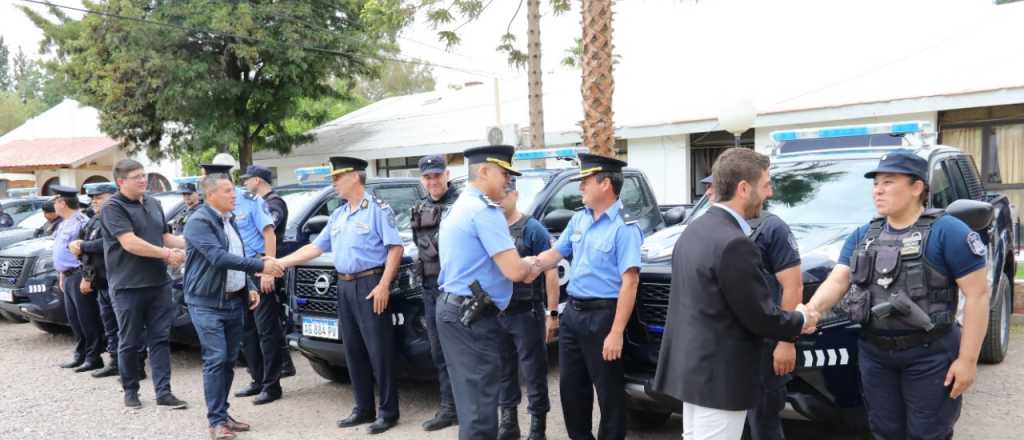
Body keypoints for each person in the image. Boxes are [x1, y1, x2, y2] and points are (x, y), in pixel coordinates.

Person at [805, 149, 990, 439]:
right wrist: (811, 310)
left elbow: (978, 296)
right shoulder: (863, 235)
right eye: (875, 183)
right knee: (884, 431)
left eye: (888, 182)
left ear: (917, 187)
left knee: (927, 433)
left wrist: (967, 360)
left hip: (931, 353)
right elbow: (838, 279)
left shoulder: (948, 232)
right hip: (875, 353)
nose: (878, 190)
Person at [651, 148, 816, 440]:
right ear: (743, 188)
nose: (769, 192)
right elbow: (759, 315)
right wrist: (800, 319)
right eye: (765, 185)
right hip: (720, 379)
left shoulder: (693, 230)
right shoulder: (734, 243)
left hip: (693, 373)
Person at [270, 156, 404, 435]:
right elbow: (316, 248)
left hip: (370, 284)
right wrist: (281, 262)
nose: (333, 184)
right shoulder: (339, 215)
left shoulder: (377, 209)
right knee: (353, 349)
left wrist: (384, 285)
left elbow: (395, 248)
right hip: (343, 286)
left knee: (379, 351)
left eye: (337, 178)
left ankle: (389, 412)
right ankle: (363, 408)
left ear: (354, 177)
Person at [525, 153, 644, 440]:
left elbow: (630, 283)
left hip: (604, 317)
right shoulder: (579, 219)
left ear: (605, 184)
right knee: (571, 391)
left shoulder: (625, 228)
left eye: (585, 182)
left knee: (609, 395)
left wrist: (616, 332)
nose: (580, 188)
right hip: (574, 316)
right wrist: (531, 264)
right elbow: (556, 253)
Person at [436, 145, 541, 440]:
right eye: (504, 173)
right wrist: (531, 262)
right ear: (483, 171)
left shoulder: (461, 205)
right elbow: (515, 271)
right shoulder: (485, 212)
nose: (508, 180)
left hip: (456, 311)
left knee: (472, 405)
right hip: (473, 318)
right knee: (481, 414)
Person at [184, 173, 285, 440]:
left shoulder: (229, 220)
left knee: (228, 361)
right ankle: (216, 422)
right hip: (207, 302)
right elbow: (219, 258)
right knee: (216, 358)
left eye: (234, 190)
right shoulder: (199, 221)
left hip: (233, 300)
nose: (234, 195)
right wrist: (262, 266)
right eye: (228, 191)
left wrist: (249, 287)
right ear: (211, 195)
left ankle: (223, 414)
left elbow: (238, 255)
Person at [100, 159, 189, 409]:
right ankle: (131, 390)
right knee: (129, 341)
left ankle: (164, 392)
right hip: (128, 286)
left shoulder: (154, 203)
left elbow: (165, 236)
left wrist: (191, 242)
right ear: (121, 182)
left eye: (144, 175)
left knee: (160, 338)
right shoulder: (112, 207)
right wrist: (166, 254)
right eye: (136, 176)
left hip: (158, 283)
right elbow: (130, 243)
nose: (143, 180)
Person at [495, 178, 560, 440]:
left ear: (515, 195)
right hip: (498, 311)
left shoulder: (533, 229)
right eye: (495, 195)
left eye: (504, 194)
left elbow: (551, 274)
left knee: (534, 372)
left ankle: (537, 427)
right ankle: (508, 424)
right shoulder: (493, 228)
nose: (499, 199)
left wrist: (552, 314)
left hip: (526, 312)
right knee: (504, 371)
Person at [225, 164, 285, 405]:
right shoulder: (220, 205)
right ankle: (257, 379)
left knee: (265, 331)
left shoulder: (252, 201)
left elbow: (269, 234)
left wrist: (269, 270)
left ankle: (272, 385)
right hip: (239, 271)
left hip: (259, 268)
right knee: (246, 331)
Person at [409, 154, 460, 432]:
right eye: (428, 177)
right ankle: (448, 407)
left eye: (437, 176)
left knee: (465, 351)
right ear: (422, 179)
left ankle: (468, 406)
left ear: (447, 175)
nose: (433, 181)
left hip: (459, 289)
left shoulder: (462, 205)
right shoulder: (419, 207)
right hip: (431, 288)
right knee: (439, 351)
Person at [741, 212, 802, 440]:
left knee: (763, 423)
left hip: (763, 346)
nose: (709, 193)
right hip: (730, 346)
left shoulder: (772, 227)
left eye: (714, 188)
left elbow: (793, 287)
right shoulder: (716, 225)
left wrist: (786, 341)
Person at [241, 164, 297, 379]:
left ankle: (277, 369)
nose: (245, 183)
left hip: (268, 266)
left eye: (248, 179)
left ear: (257, 181)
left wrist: (268, 272)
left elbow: (266, 231)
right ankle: (281, 365)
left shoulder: (274, 203)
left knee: (268, 323)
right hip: (257, 266)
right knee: (266, 322)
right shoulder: (258, 203)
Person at [69, 182, 121, 379]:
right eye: (92, 198)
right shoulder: (94, 221)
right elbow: (87, 255)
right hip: (101, 282)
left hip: (115, 280)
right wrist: (86, 276)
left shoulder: (116, 218)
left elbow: (108, 244)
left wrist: (83, 245)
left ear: (112, 196)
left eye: (98, 197)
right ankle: (115, 361)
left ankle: (132, 365)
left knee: (122, 326)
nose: (94, 201)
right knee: (109, 326)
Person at [52, 185, 102, 372]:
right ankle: (80, 354)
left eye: (55, 201)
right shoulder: (63, 222)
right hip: (68, 276)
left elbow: (87, 254)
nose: (54, 206)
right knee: (75, 320)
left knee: (88, 318)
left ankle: (94, 357)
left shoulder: (81, 221)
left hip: (80, 274)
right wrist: (61, 274)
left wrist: (86, 277)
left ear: (62, 202)